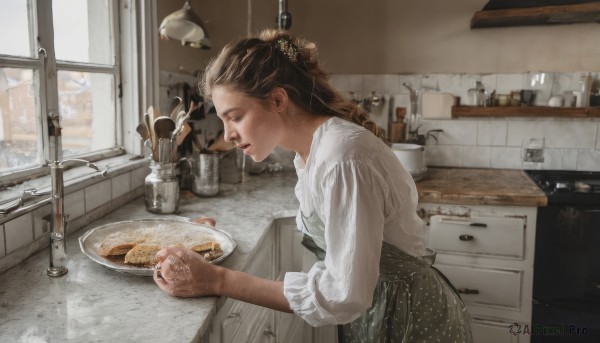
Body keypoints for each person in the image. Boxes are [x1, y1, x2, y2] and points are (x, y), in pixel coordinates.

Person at [153, 28, 473, 342]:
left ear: (278, 99)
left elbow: (342, 295)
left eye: (234, 116)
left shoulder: (342, 159)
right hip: (381, 314)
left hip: (412, 321)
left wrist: (216, 280)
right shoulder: (311, 152)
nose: (227, 135)